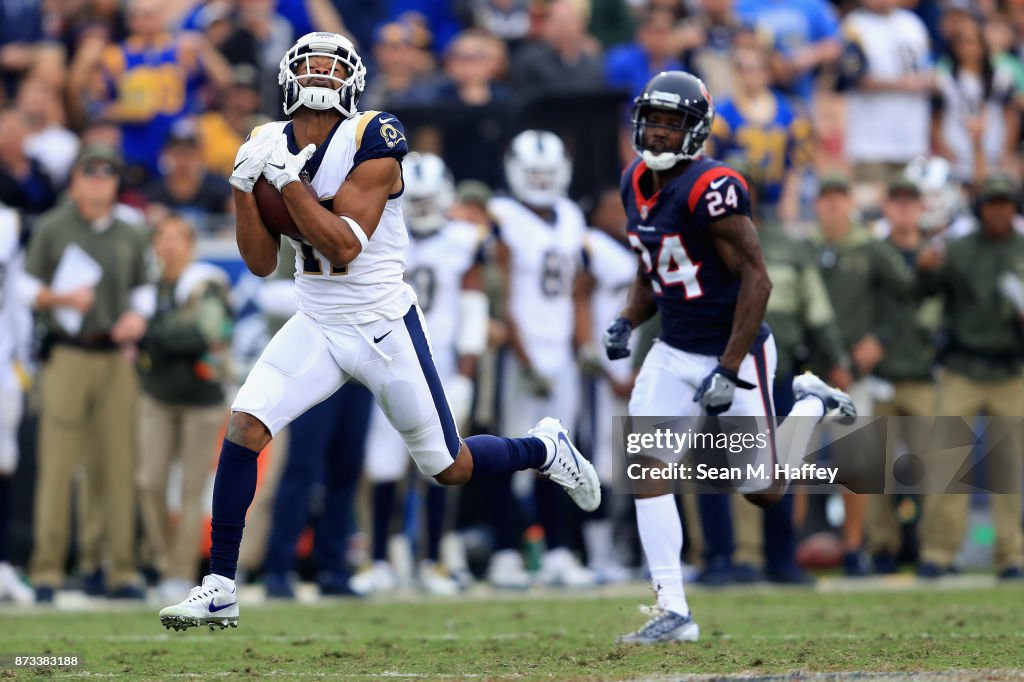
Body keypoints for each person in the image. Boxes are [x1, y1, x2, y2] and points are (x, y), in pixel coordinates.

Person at [159, 31, 600, 631]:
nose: (320, 77)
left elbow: (342, 244)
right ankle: (220, 584)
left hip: (381, 323)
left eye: (331, 67)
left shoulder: (376, 135)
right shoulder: (267, 142)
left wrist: (288, 182)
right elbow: (262, 262)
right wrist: (243, 192)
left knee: (448, 465)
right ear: (289, 80)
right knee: (244, 426)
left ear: (353, 80)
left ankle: (544, 448)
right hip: (316, 319)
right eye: (310, 66)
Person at [601, 71, 855, 644]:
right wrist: (626, 318)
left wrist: (729, 366)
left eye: (673, 124)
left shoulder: (712, 188)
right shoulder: (632, 181)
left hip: (731, 348)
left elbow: (758, 282)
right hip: (673, 349)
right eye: (655, 122)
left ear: (695, 131)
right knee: (646, 468)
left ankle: (809, 405)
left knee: (763, 491)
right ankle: (673, 609)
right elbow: (655, 268)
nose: (660, 134)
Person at [355, 152, 488, 596]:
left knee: (440, 465)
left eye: (431, 200)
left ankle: (433, 562)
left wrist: (466, 376)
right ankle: (380, 560)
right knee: (383, 466)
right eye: (419, 200)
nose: (424, 209)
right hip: (386, 364)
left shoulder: (464, 240)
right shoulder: (377, 236)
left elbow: (473, 312)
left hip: (440, 368)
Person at [24, 143, 151, 602]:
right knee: (57, 465)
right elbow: (24, 286)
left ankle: (119, 569)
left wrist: (138, 317)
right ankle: (47, 571)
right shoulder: (53, 227)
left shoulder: (130, 231)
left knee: (119, 465)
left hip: (115, 356)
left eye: (108, 172)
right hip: (69, 353)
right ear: (75, 178)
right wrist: (61, 300)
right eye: (91, 171)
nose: (100, 178)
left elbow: (145, 288)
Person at [488, 129, 597, 589]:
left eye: (547, 173)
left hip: (562, 353)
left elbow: (577, 290)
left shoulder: (571, 215)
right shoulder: (502, 215)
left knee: (563, 455)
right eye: (534, 173)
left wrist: (582, 342)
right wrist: (523, 352)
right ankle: (506, 552)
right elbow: (501, 289)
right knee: (509, 451)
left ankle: (557, 550)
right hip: (521, 350)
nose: (540, 181)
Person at [916, 173, 1024, 580]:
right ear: (981, 208)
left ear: (1015, 208)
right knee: (946, 462)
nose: (998, 210)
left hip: (1011, 369)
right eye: (992, 203)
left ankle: (1011, 555)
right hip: (962, 366)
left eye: (1005, 203)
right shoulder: (958, 249)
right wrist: (926, 269)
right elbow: (925, 291)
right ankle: (938, 552)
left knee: (1009, 470)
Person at [135, 214, 233, 602]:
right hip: (158, 395)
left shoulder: (204, 282)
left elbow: (206, 334)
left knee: (192, 491)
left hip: (201, 399)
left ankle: (180, 573)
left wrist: (152, 335)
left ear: (191, 245)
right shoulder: (150, 287)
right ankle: (162, 562)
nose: (170, 245)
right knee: (150, 482)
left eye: (177, 238)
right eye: (163, 237)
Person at [0, 205, 34, 604]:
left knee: (5, 464)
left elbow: (17, 298)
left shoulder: (8, 222)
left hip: (2, 360)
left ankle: (4, 563)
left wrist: (24, 360)